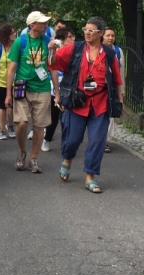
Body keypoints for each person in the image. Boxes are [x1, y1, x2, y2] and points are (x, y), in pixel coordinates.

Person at [48, 16, 123, 193]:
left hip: (100, 102)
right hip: (77, 101)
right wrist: (51, 51)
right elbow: (53, 64)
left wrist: (119, 99)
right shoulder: (75, 48)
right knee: (72, 138)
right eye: (86, 29)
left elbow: (117, 79)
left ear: (101, 33)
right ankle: (67, 158)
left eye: (91, 30)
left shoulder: (109, 54)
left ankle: (90, 176)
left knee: (97, 141)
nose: (87, 33)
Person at [5, 11, 58, 174]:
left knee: (39, 126)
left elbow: (52, 66)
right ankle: (22, 151)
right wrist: (8, 93)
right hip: (22, 87)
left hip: (42, 88)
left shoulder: (47, 41)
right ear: (32, 25)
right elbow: (11, 69)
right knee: (21, 123)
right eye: (41, 23)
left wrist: (57, 91)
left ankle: (34, 159)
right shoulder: (20, 42)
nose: (45, 25)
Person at [42, 27, 76, 152]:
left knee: (66, 119)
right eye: (70, 37)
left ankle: (65, 143)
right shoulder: (55, 50)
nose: (73, 39)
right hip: (54, 89)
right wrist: (57, 93)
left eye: (73, 36)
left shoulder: (74, 51)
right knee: (53, 118)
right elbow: (52, 68)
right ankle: (47, 139)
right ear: (62, 39)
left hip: (69, 90)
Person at [0, 24, 17, 140]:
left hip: (15, 82)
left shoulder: (17, 47)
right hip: (1, 82)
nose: (15, 34)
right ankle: (2, 129)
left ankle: (10, 126)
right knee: (2, 106)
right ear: (6, 35)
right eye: (12, 33)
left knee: (11, 106)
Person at [102, 26, 125, 153]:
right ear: (102, 36)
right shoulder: (98, 49)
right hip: (100, 88)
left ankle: (105, 140)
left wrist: (122, 90)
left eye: (112, 36)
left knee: (111, 114)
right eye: (108, 35)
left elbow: (121, 72)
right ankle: (99, 138)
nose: (110, 38)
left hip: (113, 88)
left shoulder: (118, 51)